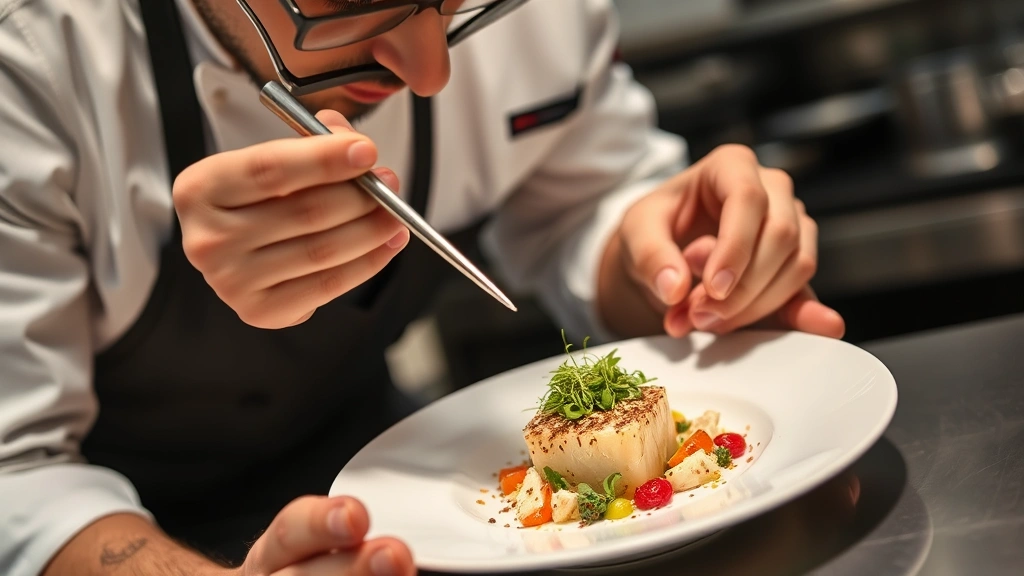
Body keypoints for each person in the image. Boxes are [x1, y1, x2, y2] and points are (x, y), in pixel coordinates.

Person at [0, 1, 845, 575]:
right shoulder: (29, 61)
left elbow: (578, 200)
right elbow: (17, 475)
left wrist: (661, 260)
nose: (430, 68)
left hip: (381, 484)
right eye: (354, 2)